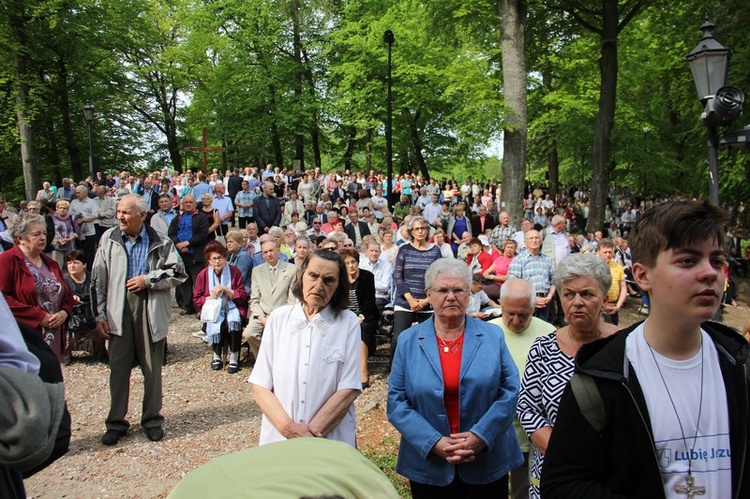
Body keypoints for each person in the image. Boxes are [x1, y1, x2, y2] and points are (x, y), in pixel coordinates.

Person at [542, 201, 750, 498]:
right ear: (642, 276)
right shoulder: (602, 378)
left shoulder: (739, 366)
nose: (709, 273)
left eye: (716, 261)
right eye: (688, 261)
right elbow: (563, 485)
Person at [388, 259, 522, 497]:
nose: (451, 296)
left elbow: (511, 390)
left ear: (469, 294)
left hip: (486, 460)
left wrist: (481, 435)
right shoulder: (408, 340)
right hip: (429, 463)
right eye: (442, 290)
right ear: (428, 294)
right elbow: (396, 402)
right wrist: (433, 442)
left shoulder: (492, 335)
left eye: (458, 290)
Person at [517, 253, 618, 498]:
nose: (577, 302)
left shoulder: (624, 346)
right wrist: (565, 454)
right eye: (569, 294)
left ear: (604, 299)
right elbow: (527, 408)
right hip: (553, 473)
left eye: (587, 294)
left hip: (612, 475)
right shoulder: (543, 348)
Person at [92, 194, 187, 446]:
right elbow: (98, 278)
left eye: (125, 212)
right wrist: (99, 314)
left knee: (152, 368)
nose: (120, 216)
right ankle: (116, 422)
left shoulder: (161, 240)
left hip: (149, 305)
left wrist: (148, 279)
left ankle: (152, 420)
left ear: (142, 215)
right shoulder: (109, 239)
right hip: (117, 306)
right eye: (119, 211)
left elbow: (178, 272)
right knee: (118, 368)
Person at [248, 250, 361, 446]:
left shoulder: (348, 323)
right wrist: (287, 429)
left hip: (329, 439)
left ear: (338, 286)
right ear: (301, 275)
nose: (318, 286)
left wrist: (312, 434)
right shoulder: (278, 319)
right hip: (279, 438)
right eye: (313, 276)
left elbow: (349, 387)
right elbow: (260, 384)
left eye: (328, 280)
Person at [490, 279, 555, 499]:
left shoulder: (550, 334)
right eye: (509, 313)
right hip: (492, 434)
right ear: (500, 304)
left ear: (534, 308)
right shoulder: (487, 332)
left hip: (531, 437)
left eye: (523, 315)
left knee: (524, 492)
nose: (516, 321)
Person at [0, 214, 74, 365]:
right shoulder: (7, 260)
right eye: (36, 234)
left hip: (53, 336)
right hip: (24, 338)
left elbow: (67, 295)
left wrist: (64, 313)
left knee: (50, 383)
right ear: (20, 238)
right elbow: (3, 299)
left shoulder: (51, 263)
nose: (42, 238)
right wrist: (38, 316)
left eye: (44, 234)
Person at [391, 216, 442, 364]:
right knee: (399, 338)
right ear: (411, 231)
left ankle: (426, 369)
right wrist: (411, 300)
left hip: (427, 302)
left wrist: (427, 300)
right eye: (417, 228)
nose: (420, 231)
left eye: (423, 228)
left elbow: (439, 277)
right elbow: (398, 276)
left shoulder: (435, 251)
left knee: (429, 340)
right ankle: (394, 371)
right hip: (405, 301)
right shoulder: (404, 249)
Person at [193, 241, 248, 374]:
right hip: (213, 310)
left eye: (220, 258)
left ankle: (234, 357)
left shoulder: (234, 272)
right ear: (209, 261)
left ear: (225, 258)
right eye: (214, 259)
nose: (217, 262)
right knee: (218, 324)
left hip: (233, 307)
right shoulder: (203, 274)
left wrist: (226, 289)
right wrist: (209, 298)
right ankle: (216, 356)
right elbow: (196, 298)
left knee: (233, 323)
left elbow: (242, 295)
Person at [243, 239, 296, 359]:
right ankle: (264, 359)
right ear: (262, 255)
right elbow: (254, 299)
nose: (269, 254)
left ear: (278, 250)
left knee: (285, 337)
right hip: (261, 314)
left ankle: (279, 360)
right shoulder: (256, 271)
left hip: (282, 315)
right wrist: (262, 318)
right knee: (249, 334)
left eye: (271, 250)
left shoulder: (291, 269)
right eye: (265, 252)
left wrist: (279, 317)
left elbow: (292, 299)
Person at [340, 248, 380, 389]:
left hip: (366, 317)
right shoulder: (340, 279)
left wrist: (361, 316)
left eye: (353, 262)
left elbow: (370, 301)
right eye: (347, 263)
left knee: (361, 329)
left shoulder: (367, 277)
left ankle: (363, 373)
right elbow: (337, 302)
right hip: (345, 316)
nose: (351, 266)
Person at [64, 249, 106, 363]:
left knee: (99, 324)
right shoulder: (64, 280)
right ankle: (66, 354)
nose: (72, 266)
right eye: (69, 263)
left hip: (90, 311)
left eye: (76, 262)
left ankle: (102, 352)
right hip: (72, 314)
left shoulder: (91, 278)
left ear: (84, 265)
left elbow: (99, 294)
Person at [507, 230, 555, 323]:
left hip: (546, 302)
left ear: (541, 241)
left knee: (544, 332)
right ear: (525, 242)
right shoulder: (518, 260)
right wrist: (532, 299)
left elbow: (554, 281)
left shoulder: (547, 259)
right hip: (526, 302)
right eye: (531, 238)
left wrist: (549, 297)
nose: (534, 240)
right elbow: (513, 285)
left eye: (537, 238)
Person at [597, 237, 627, 325]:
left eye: (610, 252)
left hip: (613, 307)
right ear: (599, 252)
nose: (608, 255)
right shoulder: (593, 267)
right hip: (597, 308)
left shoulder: (618, 267)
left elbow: (623, 288)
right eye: (605, 252)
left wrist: (618, 306)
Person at [50, 200, 79, 270]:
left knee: (71, 266)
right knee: (57, 267)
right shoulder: (52, 219)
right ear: (57, 208)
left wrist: (69, 239)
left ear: (67, 209)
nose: (62, 210)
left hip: (70, 246)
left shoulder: (72, 218)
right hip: (57, 246)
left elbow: (77, 231)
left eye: (64, 208)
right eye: (60, 208)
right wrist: (58, 240)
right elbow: (51, 232)